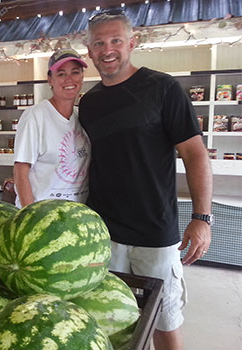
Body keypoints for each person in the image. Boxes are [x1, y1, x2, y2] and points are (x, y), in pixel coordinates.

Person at [79, 9, 213, 350]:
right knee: (113, 319)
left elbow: (195, 153)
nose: (107, 50)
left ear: (132, 43)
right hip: (104, 234)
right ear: (89, 50)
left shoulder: (163, 89)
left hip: (155, 232)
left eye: (115, 41)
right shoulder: (90, 103)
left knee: (164, 321)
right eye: (99, 43)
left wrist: (201, 218)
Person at [13, 49, 90, 208]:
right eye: (61, 74)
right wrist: (31, 216)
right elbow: (21, 170)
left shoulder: (83, 116)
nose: (69, 79)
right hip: (44, 213)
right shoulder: (35, 116)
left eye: (75, 72)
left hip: (79, 213)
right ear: (50, 79)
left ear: (82, 77)